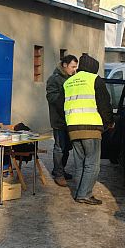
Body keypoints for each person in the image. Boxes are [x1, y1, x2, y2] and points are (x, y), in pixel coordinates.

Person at [63, 53, 114, 205]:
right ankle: (84, 194)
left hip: (72, 127)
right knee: (92, 163)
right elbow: (104, 104)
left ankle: (80, 191)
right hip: (90, 127)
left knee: (79, 163)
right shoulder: (94, 80)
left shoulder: (69, 82)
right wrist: (109, 122)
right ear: (93, 68)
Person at [46, 55, 78, 187]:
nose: (75, 70)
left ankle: (60, 170)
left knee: (67, 148)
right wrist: (67, 100)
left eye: (76, 67)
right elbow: (52, 97)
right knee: (59, 147)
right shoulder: (54, 79)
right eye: (73, 67)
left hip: (71, 119)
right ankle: (58, 174)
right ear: (65, 65)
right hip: (59, 119)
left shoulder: (73, 78)